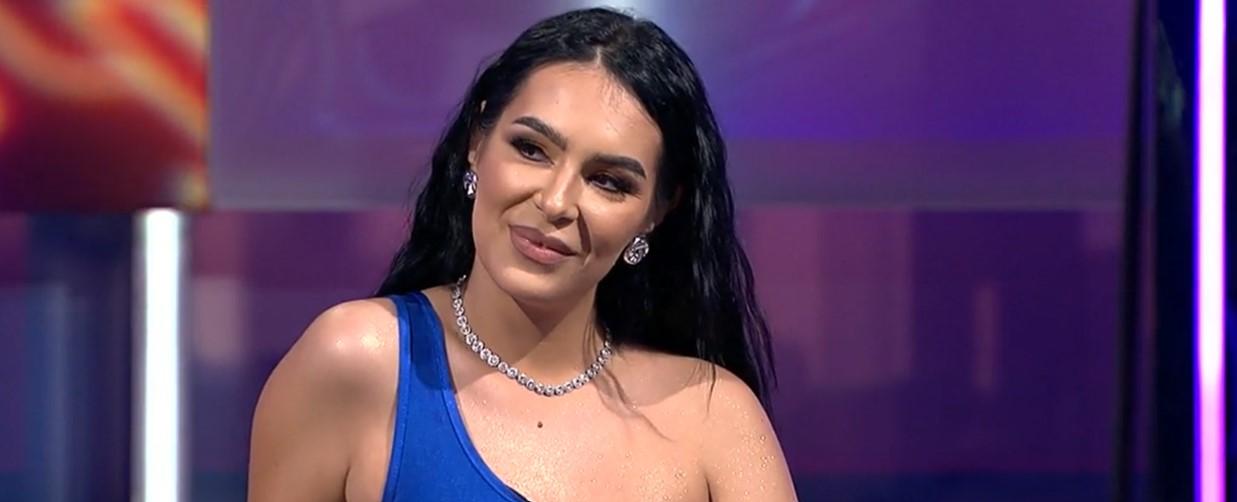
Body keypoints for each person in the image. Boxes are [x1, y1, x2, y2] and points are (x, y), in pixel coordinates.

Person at [249, 7, 796, 501]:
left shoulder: (714, 416)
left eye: (608, 181)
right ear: (476, 142)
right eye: (531, 149)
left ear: (656, 211)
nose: (556, 202)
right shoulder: (356, 361)